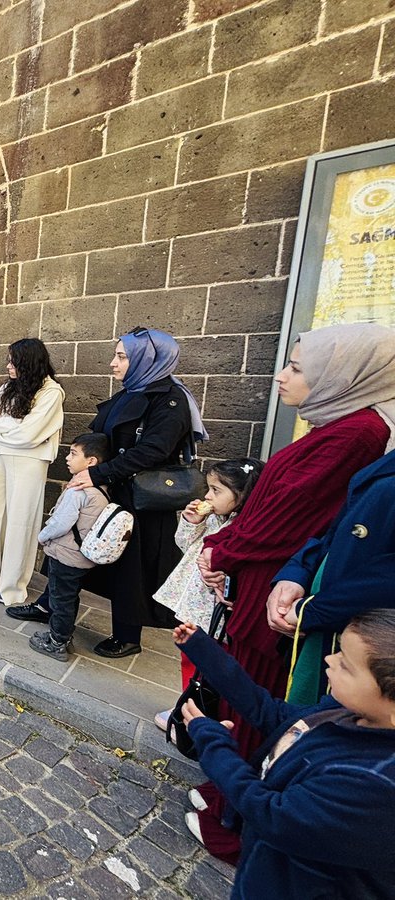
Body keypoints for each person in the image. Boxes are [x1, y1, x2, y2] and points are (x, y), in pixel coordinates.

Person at [191, 323, 395, 859]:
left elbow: (292, 516)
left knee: (259, 692)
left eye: (298, 367)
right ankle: (227, 791)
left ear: (343, 376)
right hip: (274, 575)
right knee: (246, 682)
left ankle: (236, 814)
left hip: (281, 584)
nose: (282, 375)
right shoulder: (337, 423)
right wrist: (226, 549)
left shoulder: (358, 433)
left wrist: (224, 550)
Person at [174, 610, 395, 899]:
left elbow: (270, 813)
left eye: (346, 665)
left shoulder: (373, 784)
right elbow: (271, 713)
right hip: (267, 873)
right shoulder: (346, 713)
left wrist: (214, 744)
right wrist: (206, 652)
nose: (330, 660)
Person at [55, 327, 206, 660]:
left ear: (147, 359)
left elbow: (153, 451)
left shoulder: (170, 400)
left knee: (131, 569)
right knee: (76, 547)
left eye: (121, 356)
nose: (113, 363)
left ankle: (127, 636)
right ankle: (51, 606)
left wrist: (97, 473)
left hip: (140, 501)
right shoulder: (132, 391)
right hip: (113, 490)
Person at [268, 446, 395, 704]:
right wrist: (296, 573)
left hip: (358, 645)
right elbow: (336, 533)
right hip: (323, 628)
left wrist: (312, 610)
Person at [0, 338, 64, 604]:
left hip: (30, 461)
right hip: (3, 455)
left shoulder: (51, 392)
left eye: (13, 361)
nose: (8, 366)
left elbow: (30, 434)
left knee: (20, 521)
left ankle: (12, 586)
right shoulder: (8, 387)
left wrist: (5, 424)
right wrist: (14, 425)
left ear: (28, 363)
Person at [154, 459, 264, 699]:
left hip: (212, 611)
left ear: (243, 495)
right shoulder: (214, 519)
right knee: (189, 656)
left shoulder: (246, 529)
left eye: (216, 490)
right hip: (193, 605)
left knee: (209, 663)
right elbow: (185, 545)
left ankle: (199, 706)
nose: (207, 496)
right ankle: (187, 703)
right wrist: (191, 522)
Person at [27, 433, 111, 662]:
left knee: (60, 599)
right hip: (80, 557)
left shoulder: (78, 490)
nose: (67, 458)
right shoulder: (102, 489)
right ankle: (64, 637)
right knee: (69, 597)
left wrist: (42, 537)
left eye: (73, 454)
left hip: (66, 553)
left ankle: (56, 642)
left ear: (91, 461)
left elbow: (61, 523)